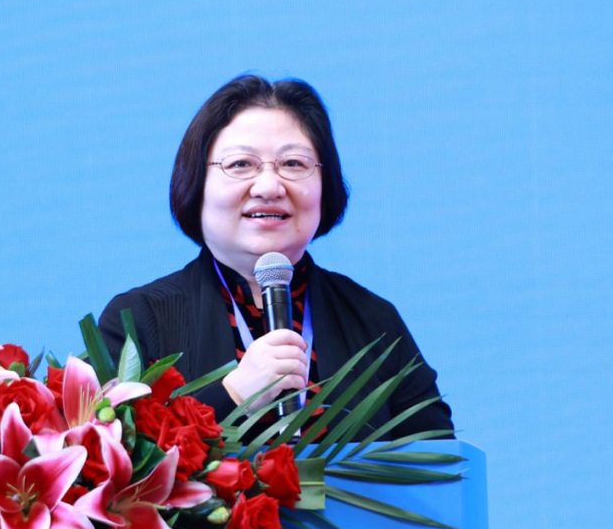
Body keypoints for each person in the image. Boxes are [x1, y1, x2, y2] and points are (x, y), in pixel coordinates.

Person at [100, 75, 453, 440]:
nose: (269, 186)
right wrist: (233, 394)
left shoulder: (373, 321)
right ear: (196, 182)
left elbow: (441, 461)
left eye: (294, 164)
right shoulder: (139, 320)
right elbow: (109, 457)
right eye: (241, 164)